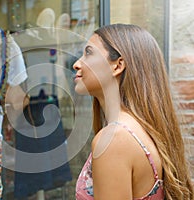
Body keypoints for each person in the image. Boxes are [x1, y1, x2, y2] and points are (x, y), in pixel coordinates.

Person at [73, 24, 193, 200]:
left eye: (89, 53)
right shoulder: (139, 130)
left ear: (117, 65)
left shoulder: (114, 140)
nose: (77, 64)